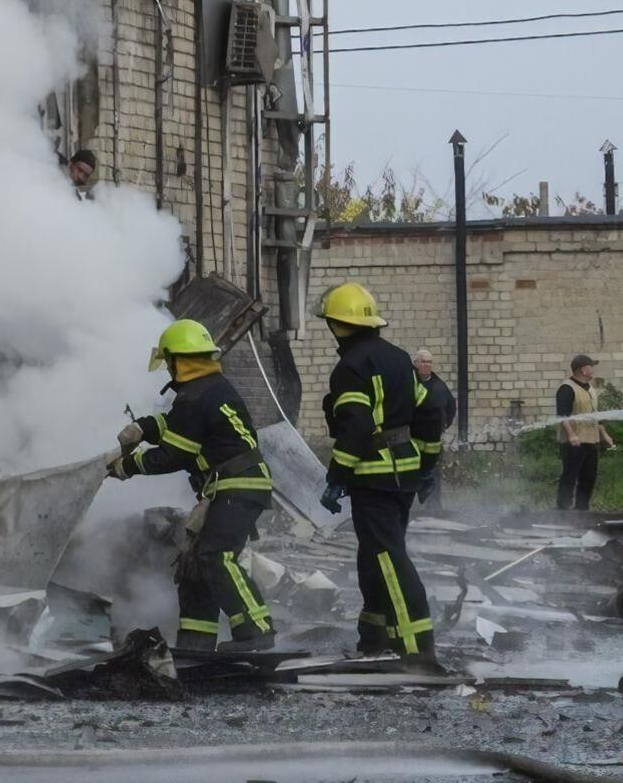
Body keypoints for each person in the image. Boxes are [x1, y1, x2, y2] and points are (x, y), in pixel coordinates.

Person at [106, 318, 275, 653]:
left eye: (169, 363)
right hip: (229, 487)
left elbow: (174, 455)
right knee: (194, 566)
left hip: (237, 486)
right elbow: (177, 425)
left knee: (217, 557)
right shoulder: (207, 389)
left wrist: (126, 466)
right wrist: (143, 427)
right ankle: (196, 646)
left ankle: (257, 634)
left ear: (178, 361)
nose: (167, 370)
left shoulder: (197, 396)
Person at [317, 282, 443, 666]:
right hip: (403, 475)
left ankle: (416, 645)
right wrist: (426, 464)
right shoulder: (399, 358)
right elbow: (431, 412)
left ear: (337, 325)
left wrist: (337, 474)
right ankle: (375, 636)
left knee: (388, 557)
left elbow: (355, 425)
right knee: (374, 555)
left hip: (373, 475)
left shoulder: (350, 368)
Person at [555, 354, 616, 510]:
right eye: (591, 367)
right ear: (583, 370)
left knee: (588, 477)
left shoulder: (590, 389)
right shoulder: (566, 389)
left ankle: (582, 509)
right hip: (574, 442)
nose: (593, 370)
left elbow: (595, 414)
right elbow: (563, 415)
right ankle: (563, 509)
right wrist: (571, 435)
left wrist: (604, 435)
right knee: (570, 476)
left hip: (591, 440)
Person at [411, 349, 455, 507]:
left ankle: (433, 508)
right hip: (411, 443)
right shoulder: (408, 383)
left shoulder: (439, 386)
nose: (426, 365)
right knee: (410, 477)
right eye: (423, 361)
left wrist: (441, 427)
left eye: (429, 362)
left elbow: (451, 408)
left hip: (433, 445)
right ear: (415, 363)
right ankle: (411, 508)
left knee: (433, 475)